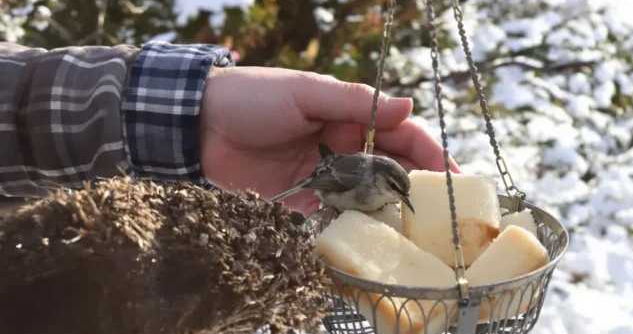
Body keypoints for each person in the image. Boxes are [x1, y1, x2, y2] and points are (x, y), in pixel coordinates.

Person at [0, 41, 459, 216]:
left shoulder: (378, 181)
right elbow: (324, 177)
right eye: (396, 191)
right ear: (380, 178)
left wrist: (203, 111)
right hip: (323, 176)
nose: (400, 199)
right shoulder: (357, 178)